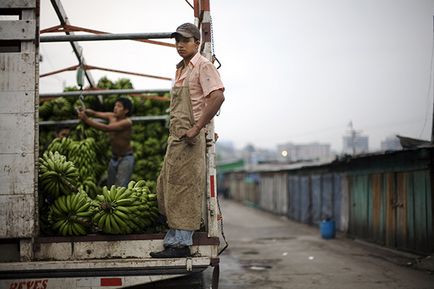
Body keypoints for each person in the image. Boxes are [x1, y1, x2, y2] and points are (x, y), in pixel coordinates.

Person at [150, 23, 225, 258]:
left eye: (184, 40)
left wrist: (197, 127)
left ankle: (181, 244)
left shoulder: (203, 66)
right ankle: (174, 238)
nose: (179, 45)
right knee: (167, 186)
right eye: (176, 41)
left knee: (184, 189)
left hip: (190, 140)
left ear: (196, 42)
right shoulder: (181, 68)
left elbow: (217, 96)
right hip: (177, 139)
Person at [77, 97, 134, 187]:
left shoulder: (127, 122)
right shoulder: (111, 116)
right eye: (115, 105)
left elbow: (106, 128)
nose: (115, 108)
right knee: (110, 186)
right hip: (114, 157)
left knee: (121, 187)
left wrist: (86, 120)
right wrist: (86, 111)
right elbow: (95, 113)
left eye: (119, 106)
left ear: (126, 110)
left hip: (125, 158)